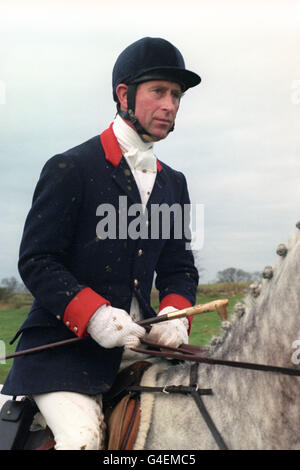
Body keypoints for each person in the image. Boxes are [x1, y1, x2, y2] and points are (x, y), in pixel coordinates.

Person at [1, 37, 201, 450]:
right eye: (159, 92)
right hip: (63, 350)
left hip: (136, 343)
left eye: (177, 95)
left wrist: (175, 314)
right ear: (124, 95)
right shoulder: (70, 167)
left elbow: (179, 265)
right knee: (84, 439)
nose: (170, 105)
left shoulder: (174, 182)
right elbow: (38, 260)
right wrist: (94, 316)